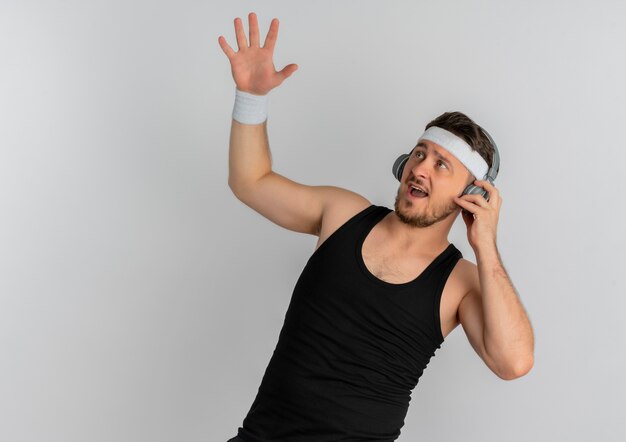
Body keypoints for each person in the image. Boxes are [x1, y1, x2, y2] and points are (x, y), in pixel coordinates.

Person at [218, 12, 534, 442]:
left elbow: (513, 362)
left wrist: (486, 248)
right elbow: (250, 182)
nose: (422, 167)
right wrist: (250, 97)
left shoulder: (461, 282)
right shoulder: (343, 213)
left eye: (442, 164)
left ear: (471, 194)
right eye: (420, 153)